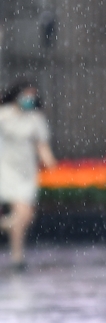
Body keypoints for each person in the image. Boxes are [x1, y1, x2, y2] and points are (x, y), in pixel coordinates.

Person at [0, 82, 57, 270]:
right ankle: (17, 257)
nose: (29, 99)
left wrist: (50, 162)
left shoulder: (35, 119)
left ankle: (14, 247)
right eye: (27, 94)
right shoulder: (4, 115)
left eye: (33, 96)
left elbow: (41, 145)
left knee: (26, 217)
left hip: (26, 172)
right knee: (21, 213)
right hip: (6, 169)